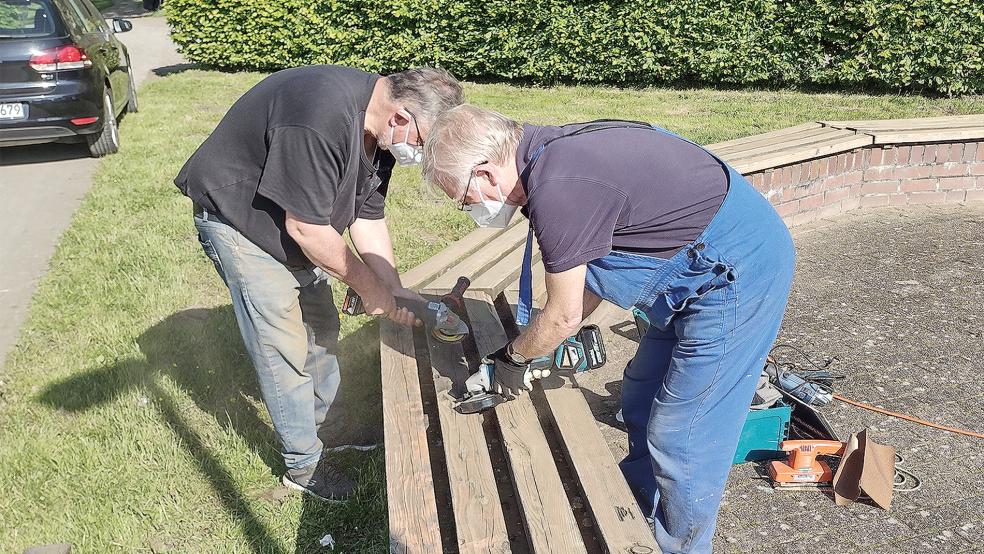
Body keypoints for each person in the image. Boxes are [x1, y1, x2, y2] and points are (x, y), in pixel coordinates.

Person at [422, 105, 795, 552]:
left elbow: (564, 315)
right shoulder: (542, 153)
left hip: (737, 274)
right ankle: (639, 505)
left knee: (683, 435)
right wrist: (540, 344)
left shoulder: (559, 188)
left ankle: (680, 545)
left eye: (464, 199)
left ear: (484, 172)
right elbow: (589, 279)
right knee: (639, 394)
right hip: (695, 264)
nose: (470, 209)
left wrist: (510, 360)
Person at [174, 65, 463, 502]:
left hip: (294, 226)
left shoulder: (379, 132)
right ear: (402, 116)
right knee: (282, 344)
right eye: (425, 144)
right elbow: (308, 229)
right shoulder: (320, 114)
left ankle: (332, 425)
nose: (420, 155)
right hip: (239, 220)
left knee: (322, 325)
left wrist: (393, 288)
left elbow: (368, 217)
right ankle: (303, 465)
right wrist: (370, 289)